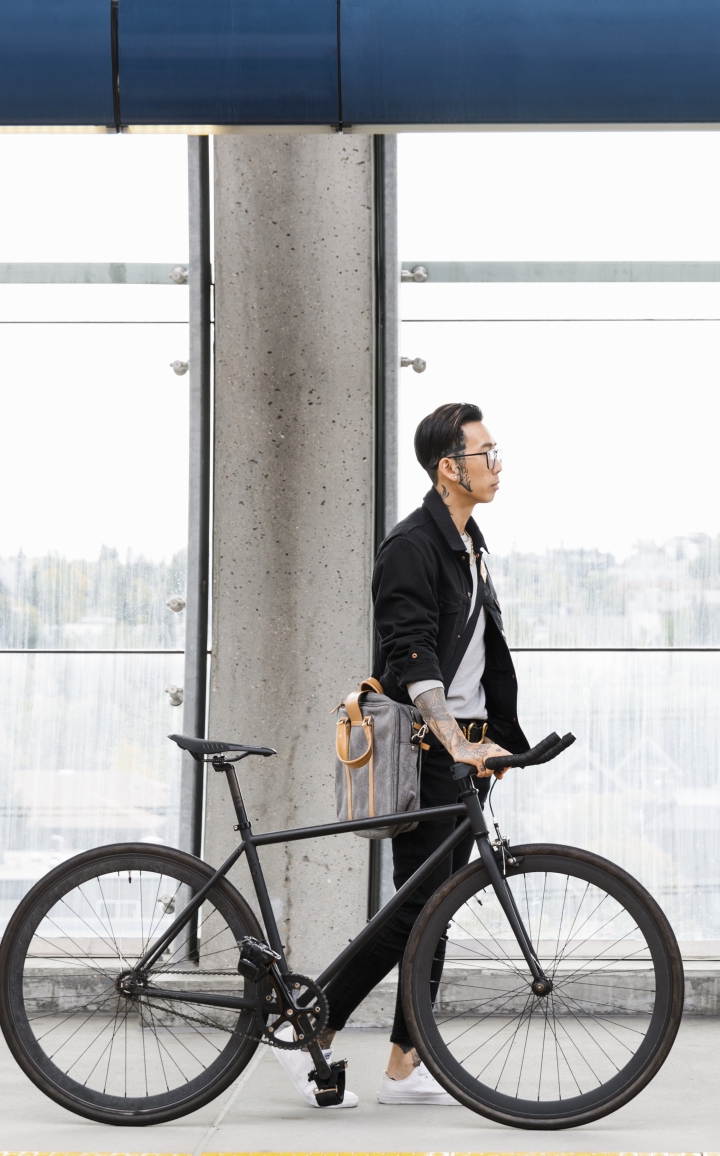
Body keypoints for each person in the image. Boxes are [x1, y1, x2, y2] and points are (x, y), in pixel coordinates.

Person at [276, 402, 528, 1108]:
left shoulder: (468, 542)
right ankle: (306, 1032)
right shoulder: (412, 545)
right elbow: (412, 658)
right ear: (450, 467)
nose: (497, 464)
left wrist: (491, 742)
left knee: (435, 910)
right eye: (486, 453)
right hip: (426, 752)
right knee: (416, 910)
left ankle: (405, 1065)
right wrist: (454, 743)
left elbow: (479, 656)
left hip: (465, 750)